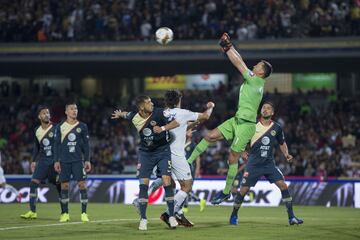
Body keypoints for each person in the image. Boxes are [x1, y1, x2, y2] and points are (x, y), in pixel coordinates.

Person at [187, 32, 273, 205]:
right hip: (236, 121)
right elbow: (240, 60)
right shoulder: (253, 79)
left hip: (246, 125)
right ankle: (186, 163)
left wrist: (227, 47)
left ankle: (226, 192)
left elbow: (239, 64)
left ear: (261, 72)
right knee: (209, 136)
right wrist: (230, 47)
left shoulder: (257, 82)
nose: (254, 65)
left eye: (258, 65)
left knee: (232, 158)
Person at [111, 95, 180, 231]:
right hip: (146, 154)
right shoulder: (134, 116)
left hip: (162, 152)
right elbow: (127, 114)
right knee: (143, 184)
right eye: (148, 102)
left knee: (167, 181)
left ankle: (171, 216)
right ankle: (143, 219)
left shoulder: (159, 113)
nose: (152, 103)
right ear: (141, 107)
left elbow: (176, 123)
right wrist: (120, 114)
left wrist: (163, 128)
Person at [229, 102, 303, 226]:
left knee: (283, 186)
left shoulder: (277, 128)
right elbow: (239, 140)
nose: (266, 110)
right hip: (254, 164)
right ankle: (234, 214)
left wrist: (287, 154)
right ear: (261, 111)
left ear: (272, 112)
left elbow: (282, 143)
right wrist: (242, 151)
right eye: (264, 108)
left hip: (269, 164)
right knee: (243, 190)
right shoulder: (252, 126)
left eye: (268, 108)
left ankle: (291, 217)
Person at [156, 90, 214, 227]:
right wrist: (211, 107)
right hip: (176, 155)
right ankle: (169, 213)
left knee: (173, 185)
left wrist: (191, 125)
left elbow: (174, 128)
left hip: (162, 154)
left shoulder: (162, 113)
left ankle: (178, 214)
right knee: (187, 185)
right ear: (178, 100)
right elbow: (205, 116)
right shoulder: (183, 113)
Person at [21, 106, 62, 219]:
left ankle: (64, 212)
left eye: (48, 113)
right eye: (44, 113)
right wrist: (34, 161)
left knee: (59, 185)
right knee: (33, 182)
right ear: (39, 116)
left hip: (55, 161)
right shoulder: (37, 130)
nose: (46, 115)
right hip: (43, 161)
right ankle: (32, 211)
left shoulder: (57, 128)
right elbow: (36, 147)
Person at [54, 101, 91, 223]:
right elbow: (56, 145)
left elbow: (86, 145)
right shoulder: (60, 126)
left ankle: (84, 213)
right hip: (64, 161)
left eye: (76, 108)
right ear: (66, 112)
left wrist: (87, 160)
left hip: (77, 161)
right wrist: (56, 161)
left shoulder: (83, 126)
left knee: (82, 185)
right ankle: (65, 213)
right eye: (71, 109)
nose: (74, 110)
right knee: (64, 186)